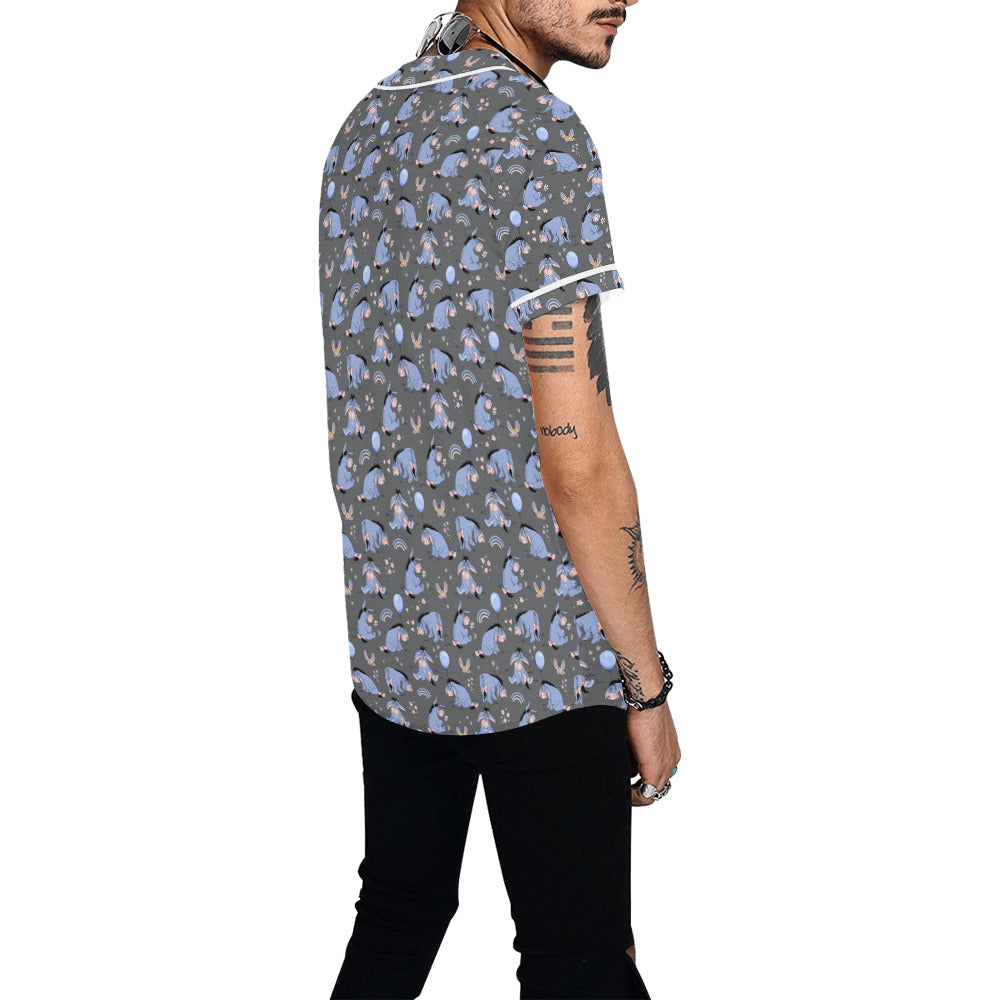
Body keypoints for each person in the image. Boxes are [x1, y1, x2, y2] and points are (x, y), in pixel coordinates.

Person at [318, 2, 681, 996]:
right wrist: (646, 686)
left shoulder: (369, 124)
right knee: (580, 962)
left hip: (398, 642)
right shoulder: (538, 138)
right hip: (540, 656)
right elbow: (579, 460)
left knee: (398, 917)